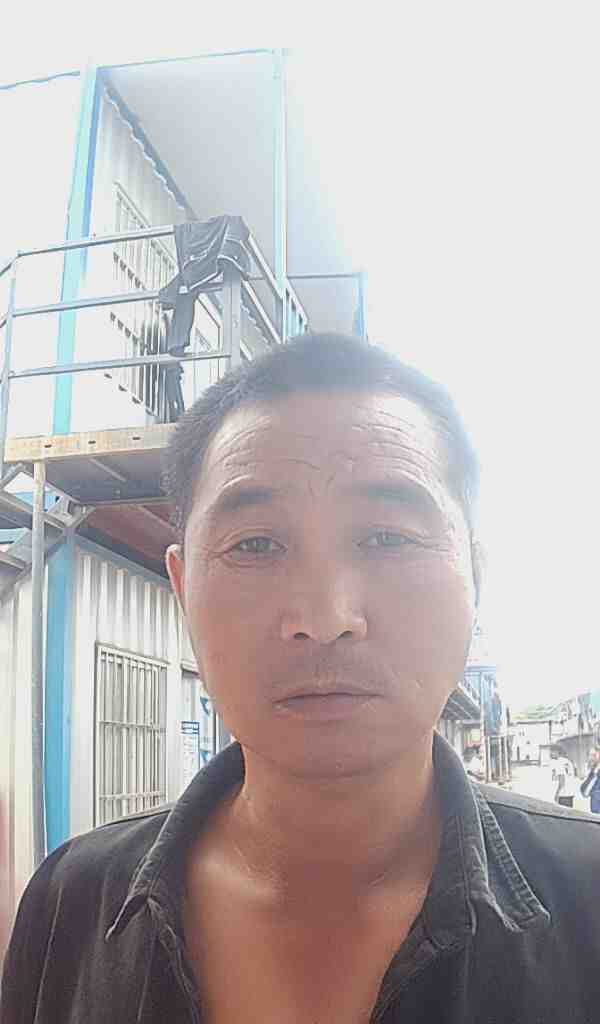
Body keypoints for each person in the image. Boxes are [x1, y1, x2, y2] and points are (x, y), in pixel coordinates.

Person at [3, 332, 600, 1022]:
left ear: (475, 579)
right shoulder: (71, 905)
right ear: (183, 587)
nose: (324, 618)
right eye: (256, 544)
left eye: (388, 537)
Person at [580, 747, 600, 813]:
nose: (591, 758)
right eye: (589, 755)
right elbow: (585, 791)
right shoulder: (594, 770)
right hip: (595, 807)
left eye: (594, 755)